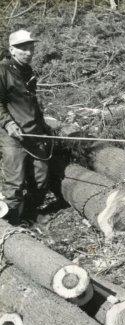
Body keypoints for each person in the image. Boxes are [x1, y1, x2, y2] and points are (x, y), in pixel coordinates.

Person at [0, 29, 53, 225]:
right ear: (12, 50)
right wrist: (8, 123)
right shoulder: (3, 71)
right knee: (15, 181)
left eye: (31, 47)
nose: (29, 52)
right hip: (12, 135)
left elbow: (31, 104)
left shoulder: (27, 71)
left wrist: (43, 126)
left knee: (40, 177)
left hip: (34, 132)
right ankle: (11, 223)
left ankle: (30, 213)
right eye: (23, 48)